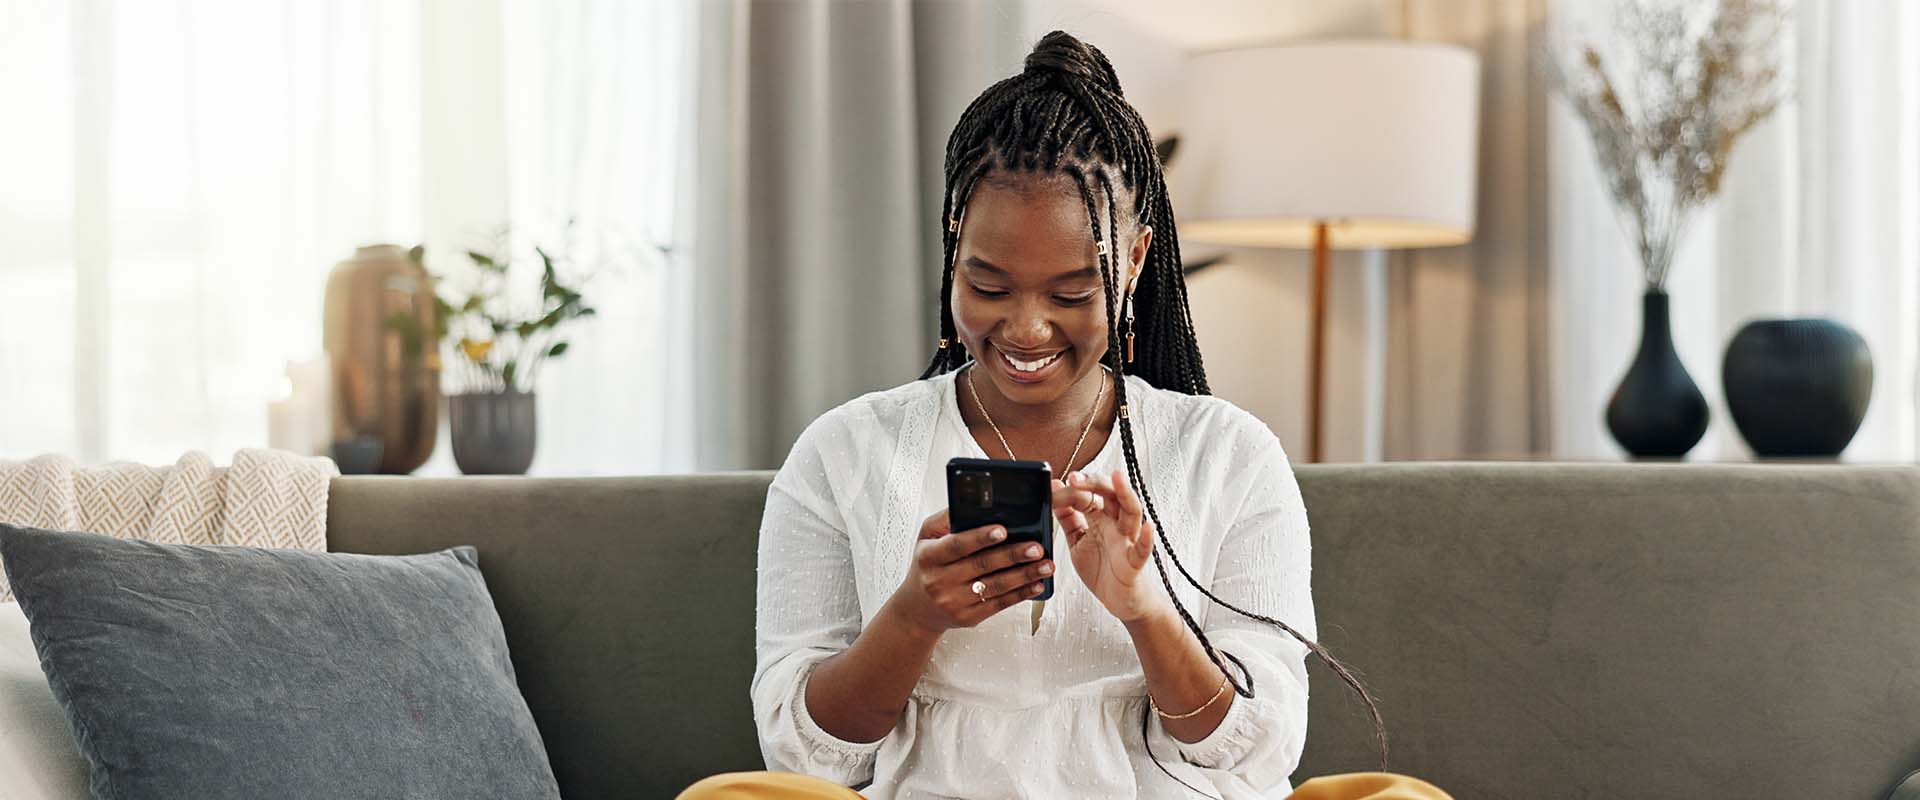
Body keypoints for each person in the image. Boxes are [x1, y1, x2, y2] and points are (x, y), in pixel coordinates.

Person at [681, 30, 1448, 800]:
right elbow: (809, 761)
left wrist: (1145, 611)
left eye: (1072, 295)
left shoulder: (1228, 454)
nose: (1026, 330)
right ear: (953, 249)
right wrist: (913, 617)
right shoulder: (846, 452)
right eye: (988, 286)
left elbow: (1254, 755)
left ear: (1138, 258)